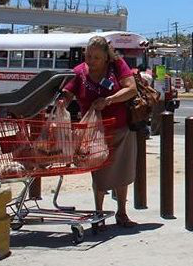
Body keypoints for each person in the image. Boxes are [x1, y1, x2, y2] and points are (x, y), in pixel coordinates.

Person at [57, 36, 139, 228]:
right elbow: (67, 94)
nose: (91, 61)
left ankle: (122, 213)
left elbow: (131, 89)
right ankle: (99, 212)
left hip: (119, 128)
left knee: (122, 170)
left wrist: (108, 100)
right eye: (88, 56)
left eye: (96, 57)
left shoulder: (117, 66)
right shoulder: (79, 73)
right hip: (93, 135)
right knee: (99, 173)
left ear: (106, 57)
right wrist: (62, 104)